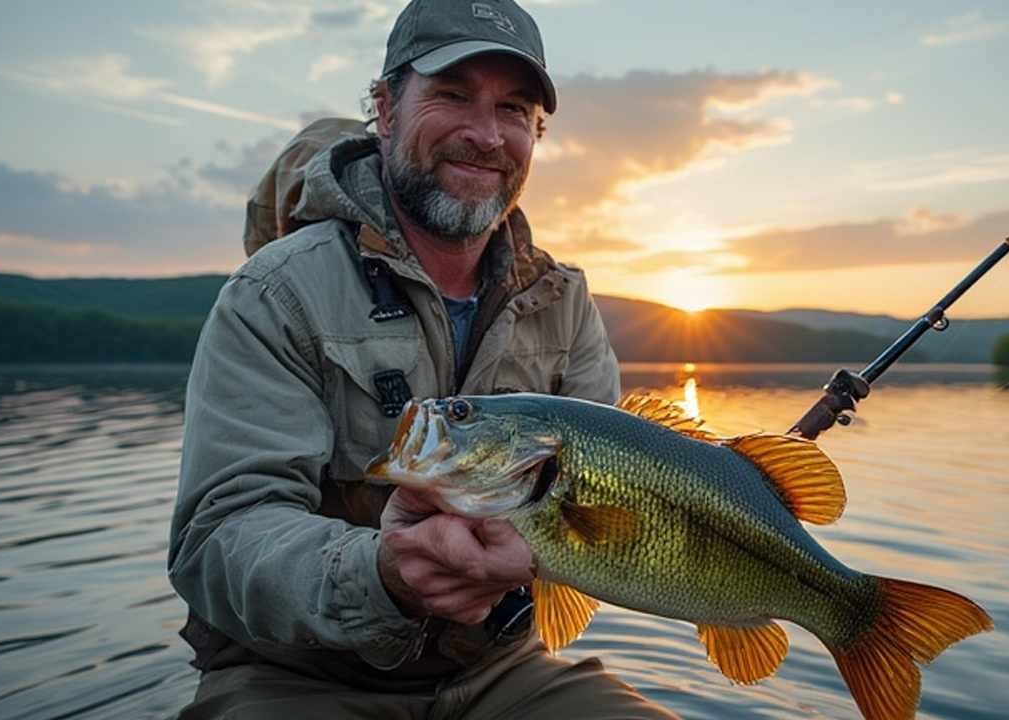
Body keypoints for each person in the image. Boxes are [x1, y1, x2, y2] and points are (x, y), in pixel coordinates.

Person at [167, 0, 678, 717]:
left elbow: (604, 516)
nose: (484, 133)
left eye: (514, 109)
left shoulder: (565, 303)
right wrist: (381, 573)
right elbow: (219, 538)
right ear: (385, 107)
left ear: (536, 133)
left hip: (504, 669)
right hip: (295, 675)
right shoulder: (276, 294)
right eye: (452, 94)